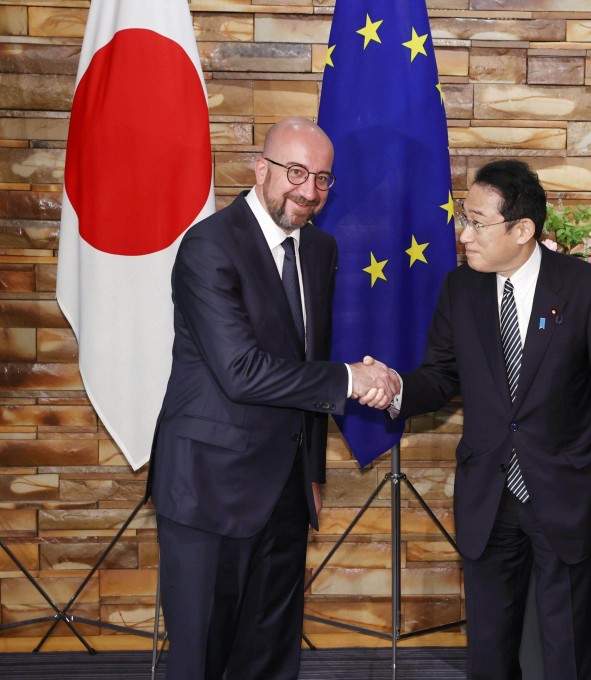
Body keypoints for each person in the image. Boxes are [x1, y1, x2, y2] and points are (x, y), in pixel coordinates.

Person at [360, 159, 591, 679]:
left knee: (569, 651)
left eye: (476, 221)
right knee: (488, 650)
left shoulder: (584, 291)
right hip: (489, 493)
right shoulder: (459, 290)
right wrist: (395, 386)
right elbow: (441, 378)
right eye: (462, 219)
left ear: (522, 230)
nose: (464, 234)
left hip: (566, 493)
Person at [147, 117, 393, 680]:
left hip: (283, 489)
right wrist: (350, 381)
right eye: (296, 173)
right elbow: (241, 372)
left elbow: (304, 361)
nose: (309, 192)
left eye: (323, 179)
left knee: (272, 655)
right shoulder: (209, 246)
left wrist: (310, 472)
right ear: (261, 169)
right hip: (208, 488)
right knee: (205, 656)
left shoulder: (321, 249)